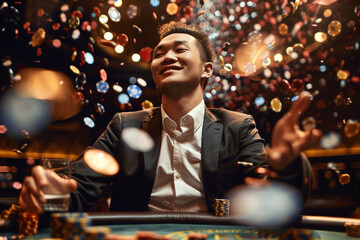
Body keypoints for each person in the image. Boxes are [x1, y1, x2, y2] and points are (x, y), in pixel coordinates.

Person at [19, 21, 322, 214]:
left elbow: (276, 196)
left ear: (207, 69)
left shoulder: (237, 125)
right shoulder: (124, 125)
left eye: (180, 49)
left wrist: (287, 166)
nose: (168, 57)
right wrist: (52, 193)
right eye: (160, 53)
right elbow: (78, 190)